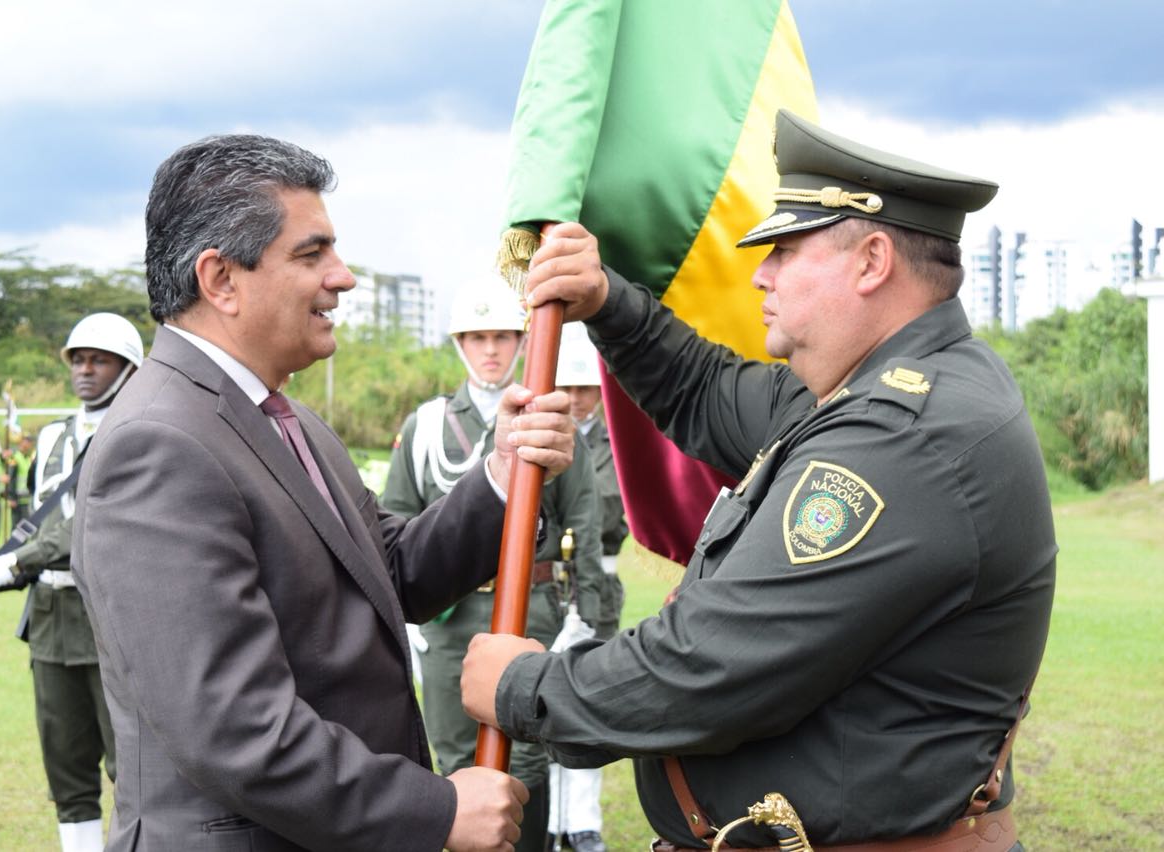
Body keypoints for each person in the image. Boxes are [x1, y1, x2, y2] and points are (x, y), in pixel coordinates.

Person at [461, 110, 1056, 851]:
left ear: (872, 262)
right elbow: (708, 391)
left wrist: (525, 688)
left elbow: (709, 667)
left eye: (785, 250)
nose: (760, 274)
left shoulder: (902, 436)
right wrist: (608, 303)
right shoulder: (880, 390)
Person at [70, 133, 576, 852]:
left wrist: (500, 474)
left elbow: (388, 574)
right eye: (311, 255)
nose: (342, 278)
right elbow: (236, 729)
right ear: (220, 280)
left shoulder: (284, 418)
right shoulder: (159, 445)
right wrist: (433, 811)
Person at [381, 282, 603, 852]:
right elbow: (399, 521)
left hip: (531, 609)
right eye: (477, 338)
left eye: (501, 336)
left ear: (521, 340)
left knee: (527, 752)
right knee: (453, 754)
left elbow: (583, 516)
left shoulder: (545, 415)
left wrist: (589, 614)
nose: (490, 351)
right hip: (449, 619)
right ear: (459, 344)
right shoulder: (426, 425)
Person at [0, 312, 143, 852]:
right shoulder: (53, 435)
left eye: (99, 359)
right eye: (77, 359)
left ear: (129, 368)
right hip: (52, 616)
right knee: (66, 764)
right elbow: (44, 516)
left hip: (112, 617)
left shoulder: (140, 430)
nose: (84, 369)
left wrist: (15, 562)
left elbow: (95, 526)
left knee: (133, 766)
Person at [544, 324, 630, 852]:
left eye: (585, 388)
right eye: (568, 389)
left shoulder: (619, 440)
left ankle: (585, 821)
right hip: (551, 586)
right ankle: (552, 819)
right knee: (545, 702)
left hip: (602, 580)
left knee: (591, 705)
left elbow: (614, 508)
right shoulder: (546, 432)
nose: (576, 399)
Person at [6, 432, 35, 528]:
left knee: (25, 527)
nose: (28, 444)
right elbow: (11, 479)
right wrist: (11, 497)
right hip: (17, 499)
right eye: (26, 441)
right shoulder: (15, 458)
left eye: (30, 442)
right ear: (21, 443)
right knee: (16, 527)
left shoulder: (28, 458)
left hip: (26, 498)